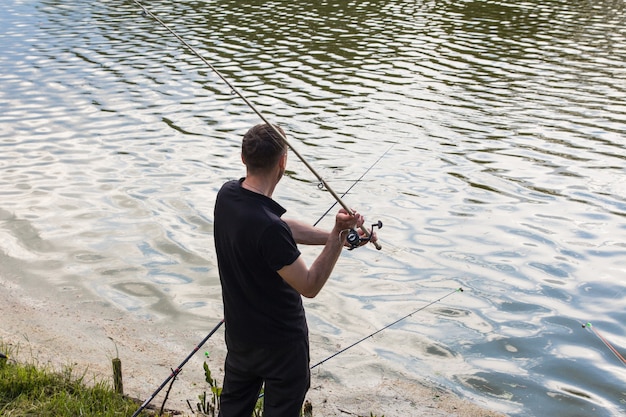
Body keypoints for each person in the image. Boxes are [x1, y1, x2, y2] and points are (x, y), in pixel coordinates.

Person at [213, 123, 374, 417]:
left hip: (241, 338)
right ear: (283, 162)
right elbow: (309, 285)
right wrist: (339, 235)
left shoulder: (228, 197)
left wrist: (332, 236)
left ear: (243, 157)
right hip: (282, 348)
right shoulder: (268, 227)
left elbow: (280, 230)